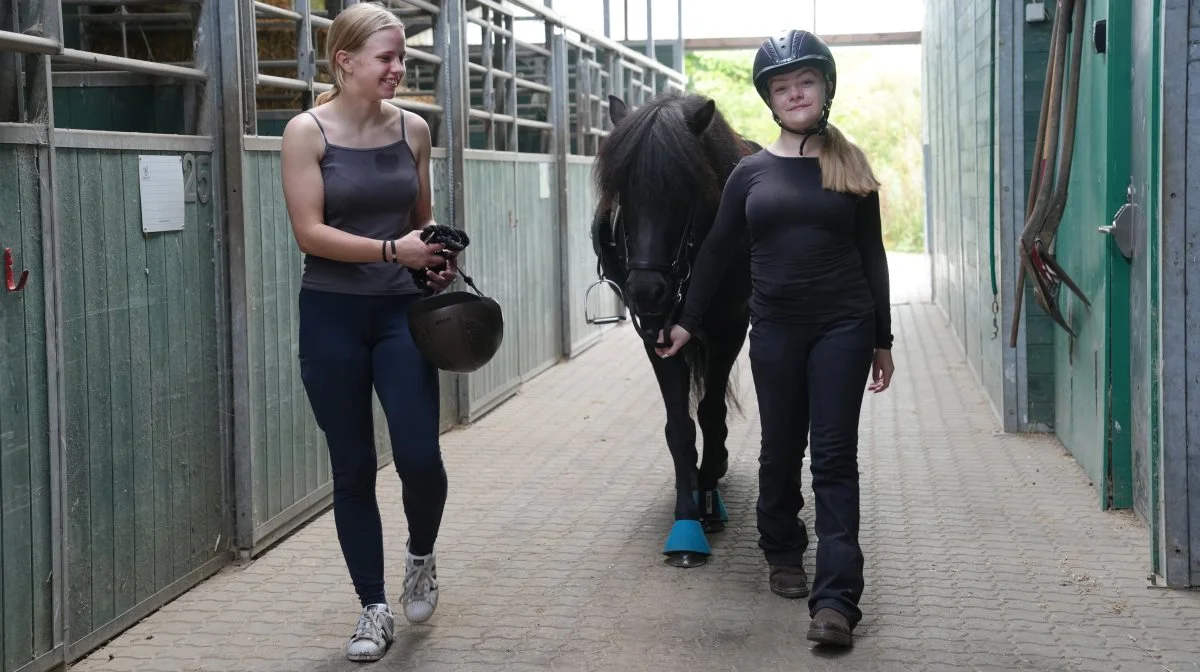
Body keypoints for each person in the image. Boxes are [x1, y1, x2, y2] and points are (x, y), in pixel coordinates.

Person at [656, 30, 895, 648]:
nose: (795, 94)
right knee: (781, 449)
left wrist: (883, 338)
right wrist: (685, 320)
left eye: (805, 83)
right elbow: (715, 252)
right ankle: (783, 550)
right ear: (770, 99)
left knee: (836, 458)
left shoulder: (852, 166)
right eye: (782, 87)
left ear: (825, 88)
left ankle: (838, 600)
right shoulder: (749, 173)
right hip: (776, 329)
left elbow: (873, 257)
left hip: (844, 327)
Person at [279, 2, 457, 663]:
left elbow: (422, 221)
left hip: (400, 315)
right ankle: (373, 609)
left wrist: (435, 260)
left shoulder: (413, 130)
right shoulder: (306, 131)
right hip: (332, 314)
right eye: (386, 57)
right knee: (353, 468)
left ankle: (421, 555)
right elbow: (310, 232)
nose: (398, 68)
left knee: (419, 458)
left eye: (402, 57)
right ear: (344, 61)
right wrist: (392, 253)